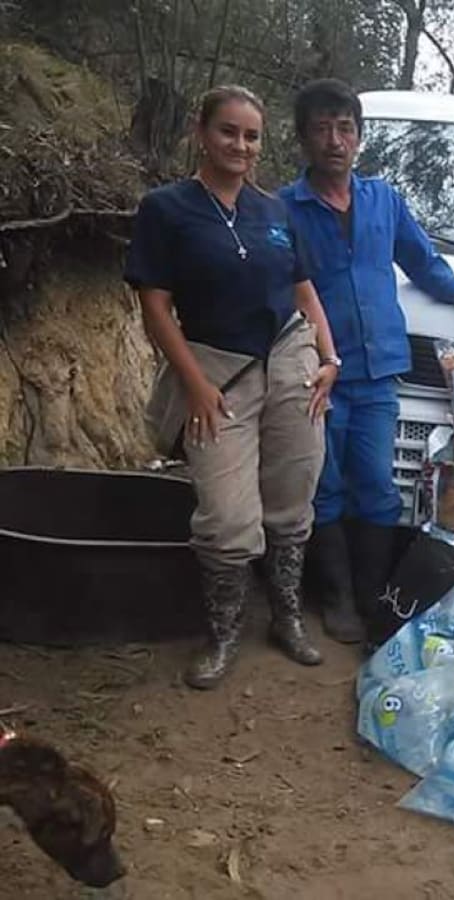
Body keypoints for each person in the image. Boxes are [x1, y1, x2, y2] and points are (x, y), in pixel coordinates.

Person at [125, 85, 339, 689]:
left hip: (293, 362)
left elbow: (303, 291)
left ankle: (287, 619)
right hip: (217, 373)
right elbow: (156, 309)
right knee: (225, 514)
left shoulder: (275, 212)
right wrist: (193, 386)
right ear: (202, 132)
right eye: (228, 132)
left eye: (250, 136)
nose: (240, 145)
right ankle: (222, 633)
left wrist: (330, 356)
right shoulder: (167, 209)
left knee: (294, 494)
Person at [280, 79, 454, 644]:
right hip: (320, 372)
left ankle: (376, 596)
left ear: (358, 137)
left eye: (345, 128)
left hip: (381, 371)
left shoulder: (383, 200)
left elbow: (421, 259)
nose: (335, 140)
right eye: (322, 129)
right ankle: (335, 601)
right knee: (325, 485)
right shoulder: (284, 208)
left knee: (377, 485)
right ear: (304, 139)